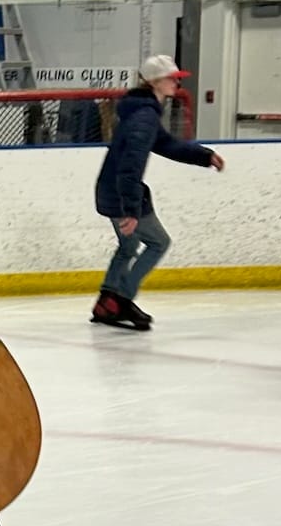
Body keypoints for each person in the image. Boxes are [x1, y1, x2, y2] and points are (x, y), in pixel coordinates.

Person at [90, 54, 225, 330]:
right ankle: (121, 299)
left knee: (129, 246)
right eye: (171, 78)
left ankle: (107, 301)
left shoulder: (142, 111)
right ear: (154, 82)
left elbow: (166, 144)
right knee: (158, 243)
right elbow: (132, 163)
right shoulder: (144, 116)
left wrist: (204, 156)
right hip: (122, 194)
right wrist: (131, 210)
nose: (177, 83)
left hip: (111, 190)